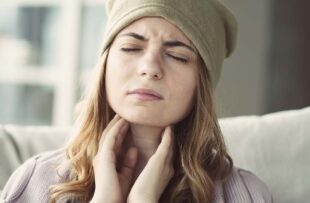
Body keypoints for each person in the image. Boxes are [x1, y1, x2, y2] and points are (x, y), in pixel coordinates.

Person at [1, 0, 273, 202]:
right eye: (131, 48)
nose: (150, 67)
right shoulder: (36, 181)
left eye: (178, 56)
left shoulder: (245, 194)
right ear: (105, 66)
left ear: (202, 84)